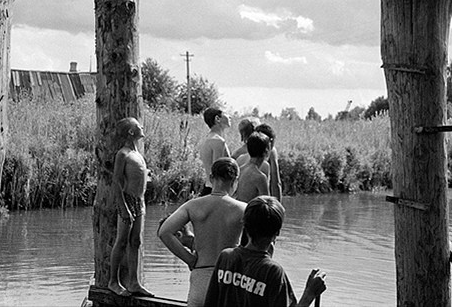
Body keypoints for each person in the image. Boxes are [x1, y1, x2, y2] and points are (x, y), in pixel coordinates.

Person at [203, 196, 327, 307]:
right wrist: (309, 295)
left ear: (245, 226)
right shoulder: (273, 272)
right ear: (277, 233)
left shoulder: (226, 257)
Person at [158, 158, 247, 307]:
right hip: (230, 278)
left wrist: (190, 260)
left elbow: (164, 232)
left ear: (211, 178)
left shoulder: (193, 205)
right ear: (235, 181)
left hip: (201, 277)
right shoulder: (243, 209)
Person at [107, 117, 153, 297]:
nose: (141, 127)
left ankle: (134, 283)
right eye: (138, 126)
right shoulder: (123, 154)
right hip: (127, 201)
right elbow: (116, 181)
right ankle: (113, 281)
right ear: (131, 132)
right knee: (122, 240)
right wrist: (123, 207)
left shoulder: (137, 153)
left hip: (139, 202)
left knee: (136, 241)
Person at [199, 107, 232, 195]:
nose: (230, 116)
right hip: (214, 191)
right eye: (226, 114)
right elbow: (218, 173)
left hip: (209, 188)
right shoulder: (218, 141)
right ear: (217, 119)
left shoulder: (209, 138)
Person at [235, 132, 271, 203]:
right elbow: (266, 205)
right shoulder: (260, 177)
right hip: (251, 212)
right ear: (266, 152)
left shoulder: (240, 170)